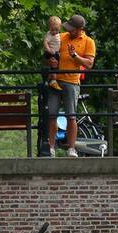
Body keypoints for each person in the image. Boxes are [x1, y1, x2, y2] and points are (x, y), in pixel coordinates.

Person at [45, 14, 96, 157]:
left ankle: (72, 148)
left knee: (71, 116)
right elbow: (49, 56)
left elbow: (89, 64)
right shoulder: (61, 36)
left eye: (72, 29)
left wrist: (75, 56)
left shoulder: (89, 42)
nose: (68, 31)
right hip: (55, 80)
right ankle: (51, 147)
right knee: (52, 115)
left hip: (72, 82)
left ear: (80, 29)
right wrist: (50, 62)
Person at [42, 16, 64, 91]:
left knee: (55, 66)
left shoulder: (58, 34)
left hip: (55, 52)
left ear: (60, 27)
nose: (54, 32)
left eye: (56, 30)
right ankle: (53, 81)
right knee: (54, 65)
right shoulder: (49, 35)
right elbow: (45, 42)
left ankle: (50, 79)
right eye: (52, 30)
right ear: (49, 27)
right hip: (51, 52)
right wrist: (49, 50)